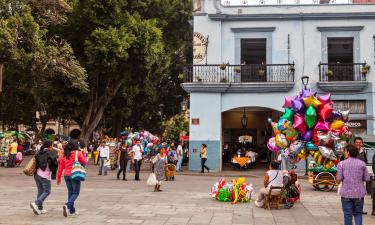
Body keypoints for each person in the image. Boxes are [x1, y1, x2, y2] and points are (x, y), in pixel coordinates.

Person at [337, 144, 370, 225]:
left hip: (346, 194)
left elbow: (339, 179)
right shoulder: (362, 164)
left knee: (347, 215)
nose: (344, 153)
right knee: (358, 214)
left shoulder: (341, 164)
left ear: (348, 152)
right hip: (359, 193)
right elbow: (367, 178)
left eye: (345, 151)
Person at [57, 140, 87, 217]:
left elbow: (60, 167)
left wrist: (59, 177)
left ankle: (72, 211)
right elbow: (85, 162)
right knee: (76, 193)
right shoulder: (78, 153)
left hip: (66, 175)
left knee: (70, 192)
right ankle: (68, 205)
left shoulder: (65, 154)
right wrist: (84, 154)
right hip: (74, 174)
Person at [30, 141, 58, 215]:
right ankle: (36, 203)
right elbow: (54, 162)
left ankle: (39, 208)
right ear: (50, 146)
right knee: (47, 191)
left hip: (37, 174)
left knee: (40, 191)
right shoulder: (50, 153)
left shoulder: (40, 151)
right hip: (44, 175)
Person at [353, 136, 368, 215]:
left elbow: (365, 162)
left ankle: (360, 209)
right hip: (352, 176)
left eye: (360, 143)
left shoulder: (363, 151)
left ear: (362, 144)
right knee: (353, 193)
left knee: (361, 193)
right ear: (354, 143)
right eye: (357, 142)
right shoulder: (351, 151)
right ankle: (353, 209)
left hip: (361, 177)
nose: (358, 144)